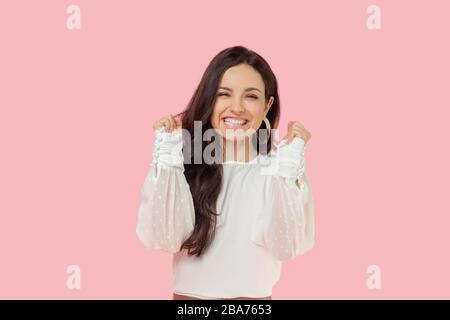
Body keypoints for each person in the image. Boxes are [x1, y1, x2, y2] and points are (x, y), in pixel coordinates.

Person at [136, 46, 315, 300]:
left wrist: (290, 163)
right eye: (224, 94)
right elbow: (164, 238)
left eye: (251, 96)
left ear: (267, 105)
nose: (237, 107)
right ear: (210, 99)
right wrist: (166, 156)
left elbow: (286, 246)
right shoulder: (182, 169)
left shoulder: (278, 174)